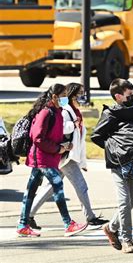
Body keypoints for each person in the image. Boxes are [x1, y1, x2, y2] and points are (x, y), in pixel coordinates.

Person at [28, 83, 108, 230]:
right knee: (81, 186)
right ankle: (90, 217)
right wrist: (73, 124)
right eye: (80, 94)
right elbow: (60, 130)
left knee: (50, 188)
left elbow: (79, 139)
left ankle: (28, 215)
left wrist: (82, 162)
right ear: (71, 96)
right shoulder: (65, 111)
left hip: (66, 155)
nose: (83, 96)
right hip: (65, 156)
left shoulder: (74, 110)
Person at [91, 79, 133, 253]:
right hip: (118, 163)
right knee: (124, 202)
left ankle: (110, 228)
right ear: (118, 96)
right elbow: (96, 136)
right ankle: (127, 240)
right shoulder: (110, 113)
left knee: (131, 201)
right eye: (129, 95)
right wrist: (114, 149)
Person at [17, 84, 88, 237]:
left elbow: (52, 135)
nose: (65, 98)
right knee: (57, 186)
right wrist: (58, 149)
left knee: (31, 189)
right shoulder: (45, 112)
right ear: (54, 97)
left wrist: (63, 145)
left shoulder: (57, 111)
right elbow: (37, 138)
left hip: (48, 156)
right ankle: (68, 223)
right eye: (62, 95)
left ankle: (23, 224)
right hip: (43, 157)